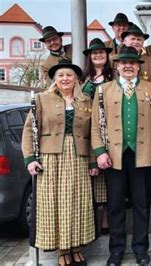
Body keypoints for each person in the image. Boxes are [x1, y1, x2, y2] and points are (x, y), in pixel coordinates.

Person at [91, 46, 151, 265]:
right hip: (114, 156)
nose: (128, 66)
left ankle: (141, 249)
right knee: (115, 205)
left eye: (132, 63)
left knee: (141, 204)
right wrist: (100, 152)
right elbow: (95, 126)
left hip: (142, 155)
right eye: (123, 63)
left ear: (138, 66)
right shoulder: (103, 90)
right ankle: (116, 251)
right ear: (116, 66)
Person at [22, 60, 98, 265]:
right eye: (61, 75)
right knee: (55, 203)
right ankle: (62, 250)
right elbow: (29, 130)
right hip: (51, 158)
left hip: (78, 157)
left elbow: (93, 134)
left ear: (76, 80)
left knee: (77, 202)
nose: (65, 79)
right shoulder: (41, 99)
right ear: (55, 79)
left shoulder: (86, 102)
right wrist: (30, 159)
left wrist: (93, 162)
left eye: (69, 75)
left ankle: (76, 245)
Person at [81, 37, 114, 234]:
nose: (99, 55)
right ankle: (89, 222)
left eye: (102, 52)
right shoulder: (83, 79)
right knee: (90, 179)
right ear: (90, 57)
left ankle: (106, 222)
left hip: (109, 129)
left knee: (107, 181)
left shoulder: (114, 77)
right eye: (95, 53)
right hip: (87, 129)